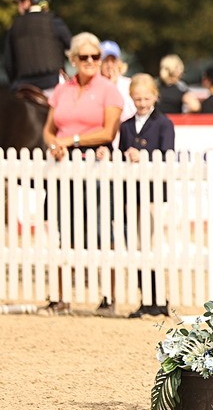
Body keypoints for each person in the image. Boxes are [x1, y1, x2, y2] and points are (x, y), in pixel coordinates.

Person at [42, 33, 124, 263]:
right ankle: (60, 294)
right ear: (73, 59)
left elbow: (109, 132)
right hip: (62, 164)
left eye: (96, 56)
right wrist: (55, 144)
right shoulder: (62, 90)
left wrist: (72, 141)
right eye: (84, 56)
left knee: (100, 231)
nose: (91, 61)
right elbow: (48, 130)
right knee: (62, 229)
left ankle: (108, 294)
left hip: (95, 164)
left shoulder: (109, 90)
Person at [119, 73, 176, 317]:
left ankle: (159, 298)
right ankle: (146, 297)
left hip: (153, 193)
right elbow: (122, 151)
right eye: (137, 99)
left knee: (153, 245)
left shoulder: (164, 123)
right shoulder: (126, 125)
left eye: (146, 98)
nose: (142, 103)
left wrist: (142, 155)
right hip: (132, 193)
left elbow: (167, 154)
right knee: (139, 246)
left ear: (155, 96)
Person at [4, 0, 71, 93]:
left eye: (19, 2)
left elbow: (8, 64)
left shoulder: (14, 27)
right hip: (53, 84)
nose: (18, 7)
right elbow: (73, 49)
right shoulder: (54, 22)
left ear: (26, 2)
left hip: (22, 87)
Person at [99, 39, 136, 122]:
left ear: (119, 62)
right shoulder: (94, 84)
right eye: (105, 61)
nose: (109, 65)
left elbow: (130, 114)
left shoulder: (128, 84)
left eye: (113, 60)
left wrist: (114, 87)